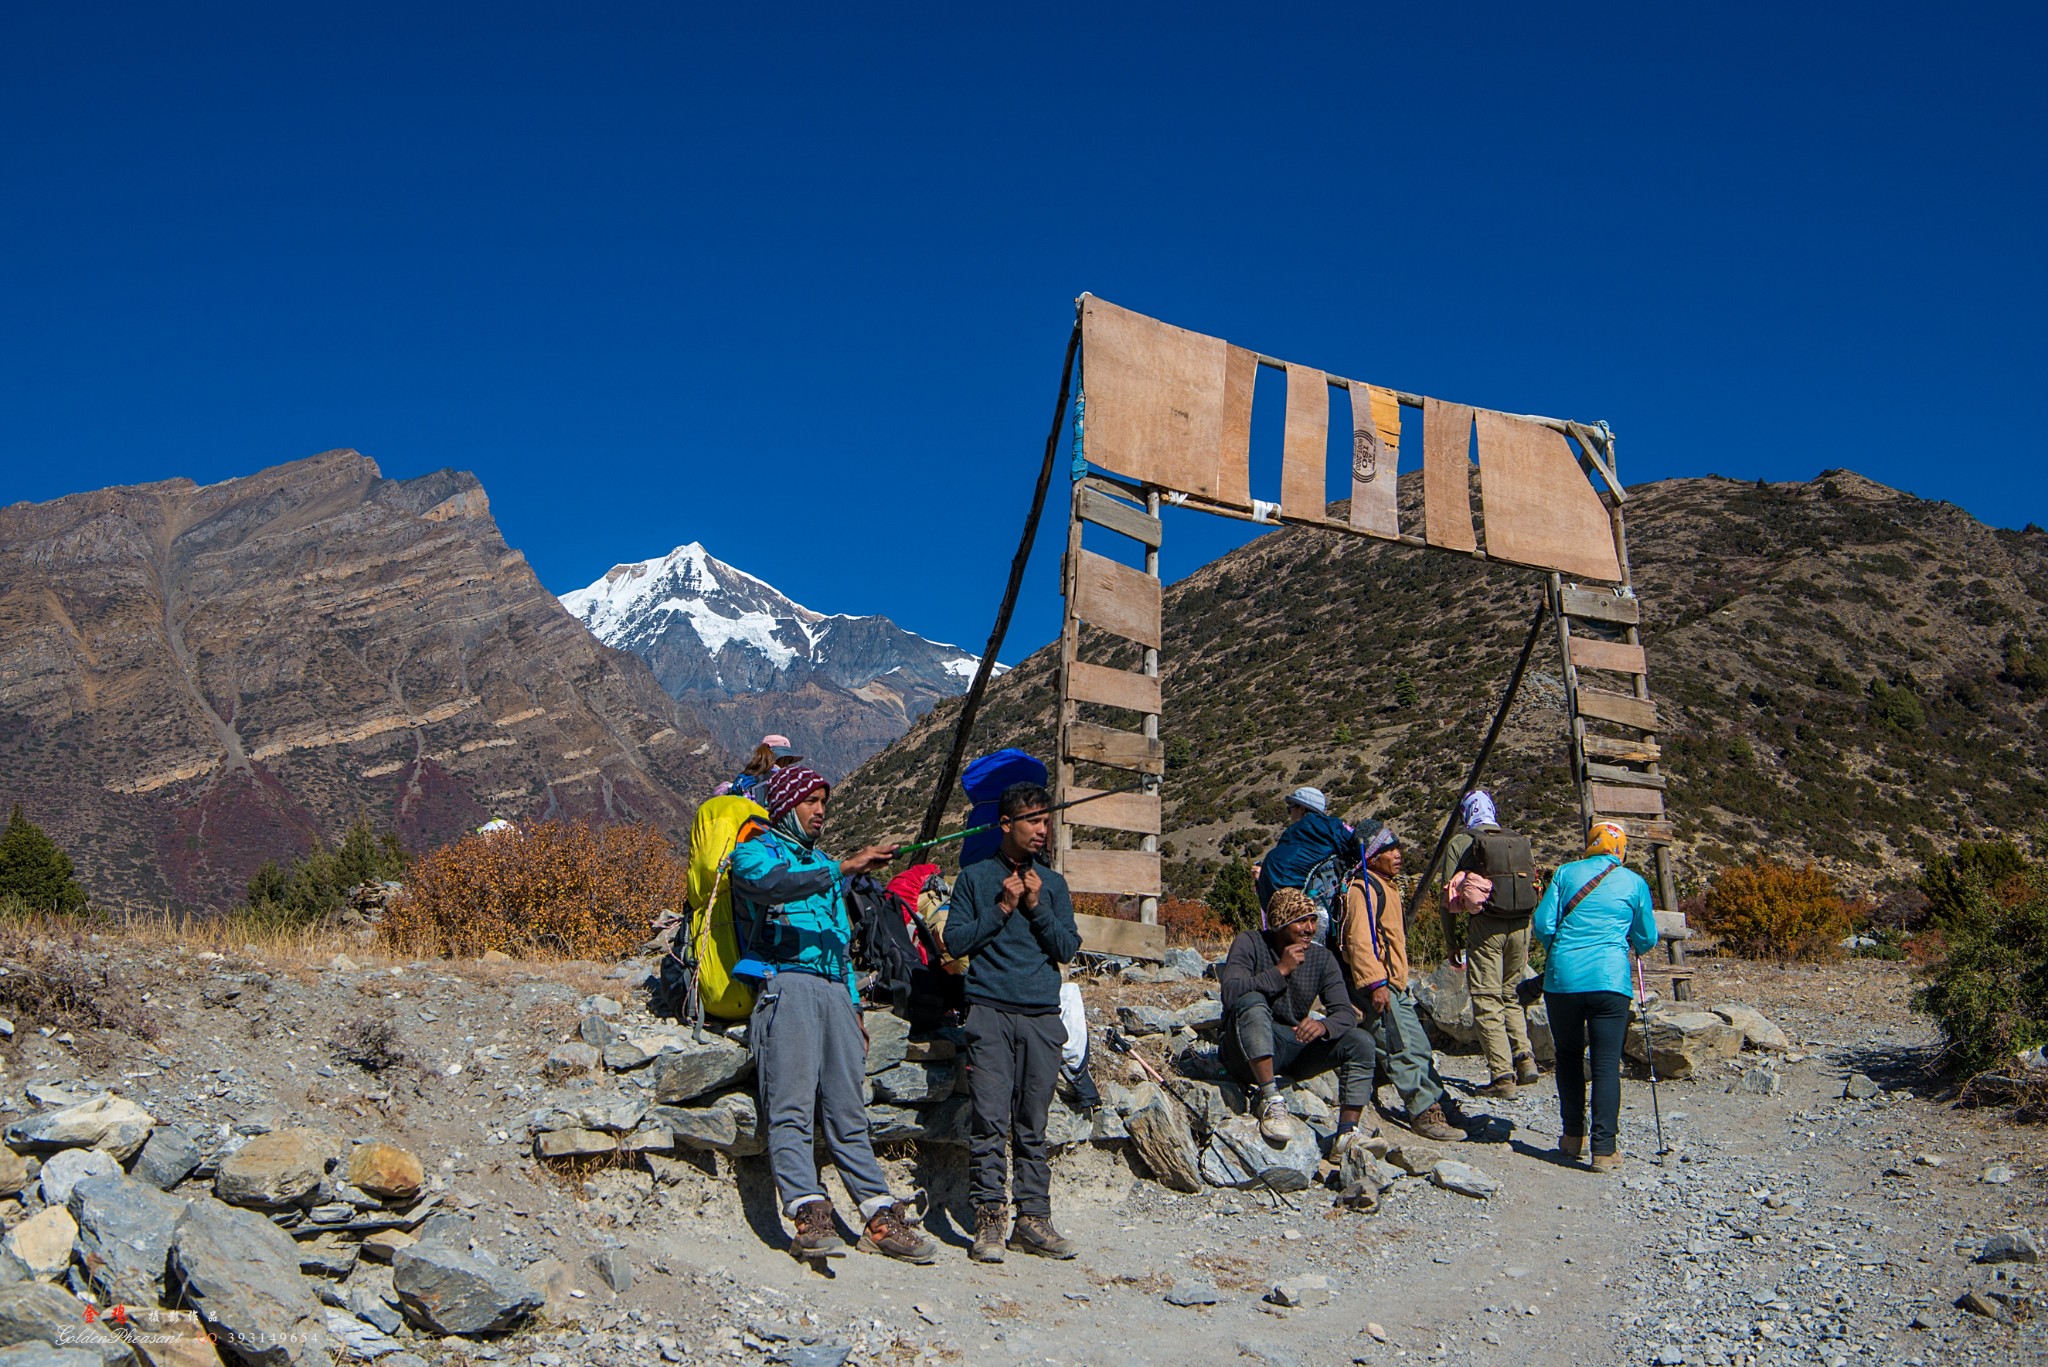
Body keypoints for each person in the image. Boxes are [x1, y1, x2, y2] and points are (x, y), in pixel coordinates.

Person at [728, 763, 937, 1263]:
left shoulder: (821, 861)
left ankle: (880, 1216)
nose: (820, 811)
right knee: (792, 1107)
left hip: (835, 992)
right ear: (785, 805)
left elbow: (841, 944)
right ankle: (807, 1212)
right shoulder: (753, 854)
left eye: (824, 803)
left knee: (849, 1110)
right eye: (811, 802)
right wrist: (843, 868)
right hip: (786, 984)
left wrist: (854, 1010)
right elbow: (773, 886)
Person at [943, 783, 1083, 1263]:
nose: (1043, 830)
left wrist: (1037, 907)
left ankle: (1033, 1218)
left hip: (1042, 1014)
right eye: (1034, 821)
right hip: (989, 1010)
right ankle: (988, 1220)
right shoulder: (975, 879)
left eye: (1047, 821)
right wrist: (1002, 908)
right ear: (1006, 825)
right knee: (988, 1118)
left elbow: (1067, 948)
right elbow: (956, 941)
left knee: (1033, 1122)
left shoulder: (1054, 885)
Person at [1533, 822, 1659, 1173]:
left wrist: (1560, 950)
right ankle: (1604, 1150)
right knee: (1605, 1064)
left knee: (1568, 1056)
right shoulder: (1634, 882)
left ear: (1590, 843)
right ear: (1621, 848)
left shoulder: (1564, 873)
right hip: (1609, 980)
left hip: (1563, 980)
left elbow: (1543, 925)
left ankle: (1572, 1138)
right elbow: (1647, 938)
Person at [1337, 821, 1464, 1143]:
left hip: (1394, 984)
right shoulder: (1362, 890)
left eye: (1396, 848)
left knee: (1419, 1046)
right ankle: (1423, 1113)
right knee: (1401, 1048)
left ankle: (1441, 1105)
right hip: (1379, 986)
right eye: (1387, 850)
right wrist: (1376, 984)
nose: (1397, 855)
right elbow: (1359, 942)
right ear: (1371, 856)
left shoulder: (1384, 886)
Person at [1218, 887, 1373, 1146]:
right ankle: (1270, 1100)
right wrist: (1281, 971)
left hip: (1291, 1044)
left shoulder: (1321, 959)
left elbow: (1345, 1012)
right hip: (1243, 1049)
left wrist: (1324, 1026)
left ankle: (1347, 1134)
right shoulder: (1250, 942)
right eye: (1301, 921)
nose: (1310, 929)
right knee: (1253, 1000)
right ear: (1280, 924)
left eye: (1313, 920)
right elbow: (1231, 993)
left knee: (1361, 1041)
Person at [1444, 790, 1542, 1099]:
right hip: (1521, 925)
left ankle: (1502, 1075)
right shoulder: (1514, 839)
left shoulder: (1461, 841)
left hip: (1487, 928)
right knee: (1510, 994)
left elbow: (1448, 897)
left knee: (1486, 999)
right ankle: (1525, 1058)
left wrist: (1452, 942)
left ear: (1466, 813)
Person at [1254, 787, 1358, 930]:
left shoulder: (1294, 836)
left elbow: (1274, 888)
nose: (1290, 815)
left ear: (1302, 809)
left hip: (1296, 918)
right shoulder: (1337, 829)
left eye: (1290, 809)